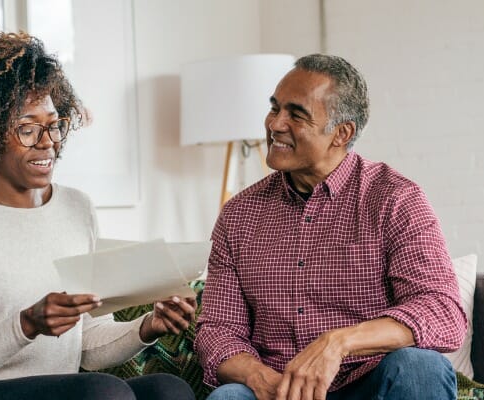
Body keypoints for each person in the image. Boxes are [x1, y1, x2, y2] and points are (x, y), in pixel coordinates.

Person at [0, 32, 196, 400]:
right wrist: (27, 324)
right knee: (101, 393)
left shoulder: (77, 208)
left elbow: (87, 343)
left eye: (54, 124)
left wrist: (148, 326)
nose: (48, 142)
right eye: (27, 129)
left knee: (168, 390)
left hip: (65, 391)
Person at [194, 54, 466, 400]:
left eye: (296, 114)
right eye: (274, 108)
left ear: (341, 133)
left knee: (420, 368)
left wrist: (338, 342)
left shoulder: (394, 199)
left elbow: (441, 311)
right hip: (278, 391)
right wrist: (259, 377)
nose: (275, 124)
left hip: (367, 383)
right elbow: (218, 329)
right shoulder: (239, 215)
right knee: (228, 398)